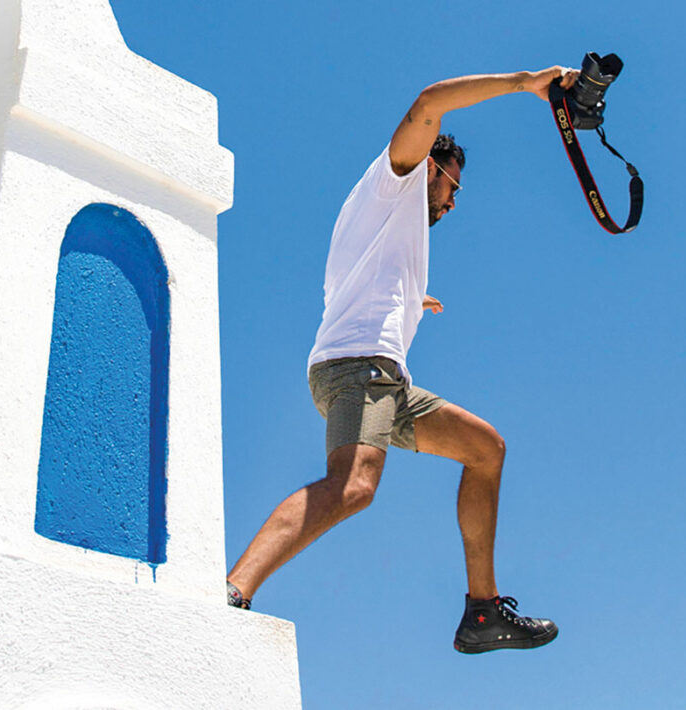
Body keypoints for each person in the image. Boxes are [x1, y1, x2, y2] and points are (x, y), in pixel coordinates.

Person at [227, 65, 580, 654]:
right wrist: (526, 83)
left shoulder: (391, 231)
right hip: (356, 368)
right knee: (355, 485)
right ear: (430, 166)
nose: (453, 200)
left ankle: (483, 611)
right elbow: (429, 102)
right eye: (452, 185)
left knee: (485, 449)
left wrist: (412, 296)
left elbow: (361, 281)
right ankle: (235, 589)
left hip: (384, 377)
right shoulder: (396, 179)